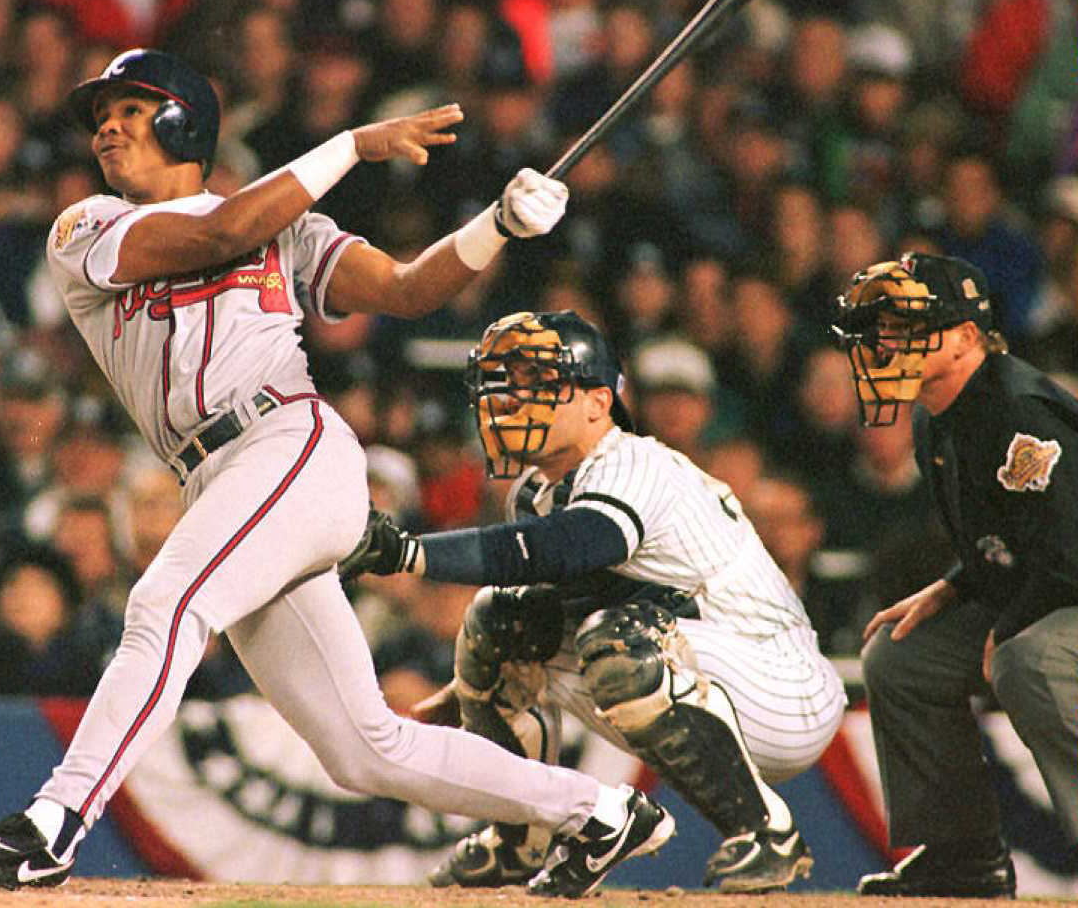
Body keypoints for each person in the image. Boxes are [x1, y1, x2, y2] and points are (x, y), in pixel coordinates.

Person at [0, 47, 668, 897]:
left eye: (130, 108)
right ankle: (601, 810)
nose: (107, 126)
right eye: (101, 115)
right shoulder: (87, 226)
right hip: (217, 475)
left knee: (166, 604)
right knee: (363, 749)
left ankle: (52, 823)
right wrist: (351, 143)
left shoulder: (285, 224)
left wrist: (494, 226)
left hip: (290, 445)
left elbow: (405, 288)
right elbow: (219, 232)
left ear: (184, 121)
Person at [339, 310, 847, 892]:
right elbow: (547, 589)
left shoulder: (632, 462)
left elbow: (572, 544)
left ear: (598, 401)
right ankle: (521, 836)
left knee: (619, 638)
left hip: (780, 684)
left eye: (538, 383)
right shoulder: (537, 493)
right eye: (505, 382)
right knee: (499, 620)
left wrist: (409, 553)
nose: (511, 399)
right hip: (697, 668)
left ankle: (767, 832)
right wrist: (472, 687)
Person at [831, 251, 1078, 896]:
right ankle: (964, 856)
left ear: (968, 336)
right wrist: (951, 587)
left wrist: (1008, 627)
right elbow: (1009, 540)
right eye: (885, 326)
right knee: (900, 655)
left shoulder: (1019, 412)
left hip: (1070, 589)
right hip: (1047, 587)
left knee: (1028, 661)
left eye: (908, 326)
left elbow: (1068, 554)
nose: (888, 341)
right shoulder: (940, 414)